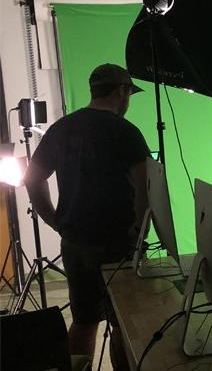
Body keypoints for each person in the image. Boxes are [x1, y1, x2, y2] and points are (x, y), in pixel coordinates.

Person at [24, 63, 149, 369]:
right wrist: (138, 231)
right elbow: (146, 189)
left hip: (76, 243)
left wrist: (54, 220)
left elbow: (32, 178)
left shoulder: (62, 128)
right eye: (129, 93)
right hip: (117, 245)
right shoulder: (126, 132)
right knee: (124, 324)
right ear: (122, 92)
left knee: (83, 320)